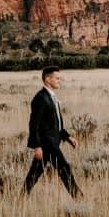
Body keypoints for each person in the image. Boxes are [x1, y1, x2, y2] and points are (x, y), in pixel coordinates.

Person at [23, 65, 82, 198]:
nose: (59, 81)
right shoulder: (40, 98)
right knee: (64, 169)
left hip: (51, 142)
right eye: (57, 78)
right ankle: (78, 198)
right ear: (48, 80)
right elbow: (34, 124)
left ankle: (21, 197)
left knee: (34, 173)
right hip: (47, 144)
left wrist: (68, 137)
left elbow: (56, 124)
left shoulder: (51, 97)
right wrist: (36, 146)